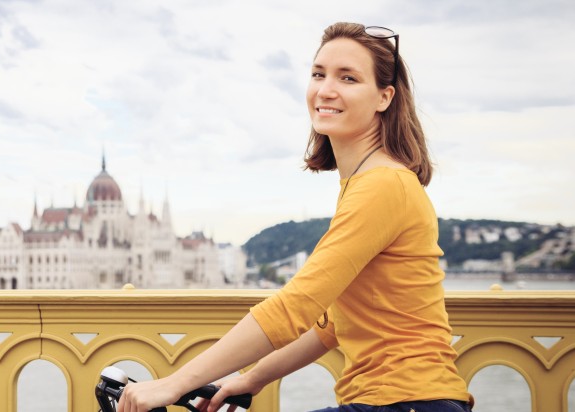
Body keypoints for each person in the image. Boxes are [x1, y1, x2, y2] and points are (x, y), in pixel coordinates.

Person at [118, 22, 474, 412]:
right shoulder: (366, 183)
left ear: (384, 97)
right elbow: (332, 324)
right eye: (318, 74)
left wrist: (173, 384)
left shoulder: (384, 186)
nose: (326, 89)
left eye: (348, 78)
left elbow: (295, 307)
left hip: (403, 402)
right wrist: (250, 379)